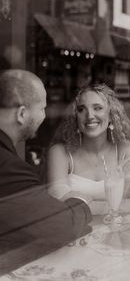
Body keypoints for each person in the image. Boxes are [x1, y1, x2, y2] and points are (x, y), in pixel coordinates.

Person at [0, 69, 92, 275]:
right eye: (42, 108)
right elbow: (62, 227)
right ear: (22, 114)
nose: (45, 115)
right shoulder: (7, 167)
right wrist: (82, 203)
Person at [47, 84, 130, 215]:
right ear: (75, 117)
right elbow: (59, 201)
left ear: (111, 115)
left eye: (98, 108)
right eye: (81, 109)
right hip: (76, 232)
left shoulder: (124, 149)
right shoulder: (60, 153)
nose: (90, 115)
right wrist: (121, 207)